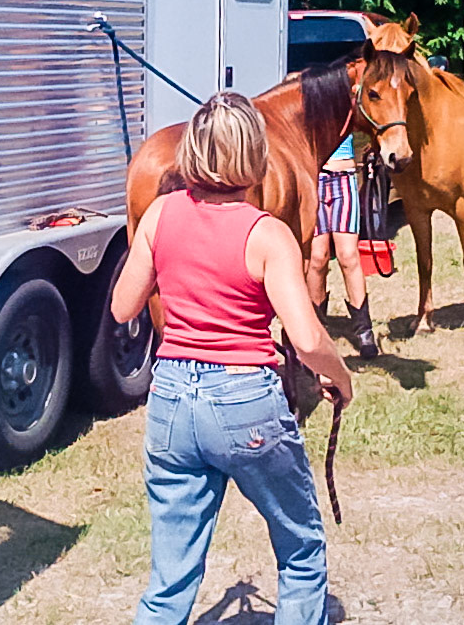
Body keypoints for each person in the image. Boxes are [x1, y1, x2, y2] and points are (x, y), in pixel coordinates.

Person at [112, 91, 355, 625]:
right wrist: (339, 378)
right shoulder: (268, 234)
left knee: (170, 574)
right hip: (245, 397)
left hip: (172, 398)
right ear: (255, 157)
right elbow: (308, 339)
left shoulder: (158, 215)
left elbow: (123, 305)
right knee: (299, 546)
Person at [301, 64, 379, 359]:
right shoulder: (312, 104)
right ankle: (317, 327)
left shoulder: (347, 104)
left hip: (344, 178)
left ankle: (364, 329)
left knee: (349, 256)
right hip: (318, 180)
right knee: (318, 258)